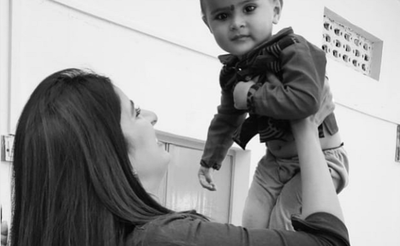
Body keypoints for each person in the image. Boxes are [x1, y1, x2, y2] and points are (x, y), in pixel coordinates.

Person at [0, 68, 351, 246]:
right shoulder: (164, 238)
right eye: (136, 112)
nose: (151, 116)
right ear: (105, 152)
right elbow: (329, 242)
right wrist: (307, 124)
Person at [197, 0, 349, 230]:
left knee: (283, 225)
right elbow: (227, 118)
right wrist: (211, 159)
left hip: (321, 161)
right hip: (274, 163)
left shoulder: (295, 50)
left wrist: (252, 97)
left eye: (249, 8)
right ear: (208, 23)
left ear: (276, 10)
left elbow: (305, 102)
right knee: (251, 225)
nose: (237, 23)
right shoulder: (233, 72)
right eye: (221, 16)